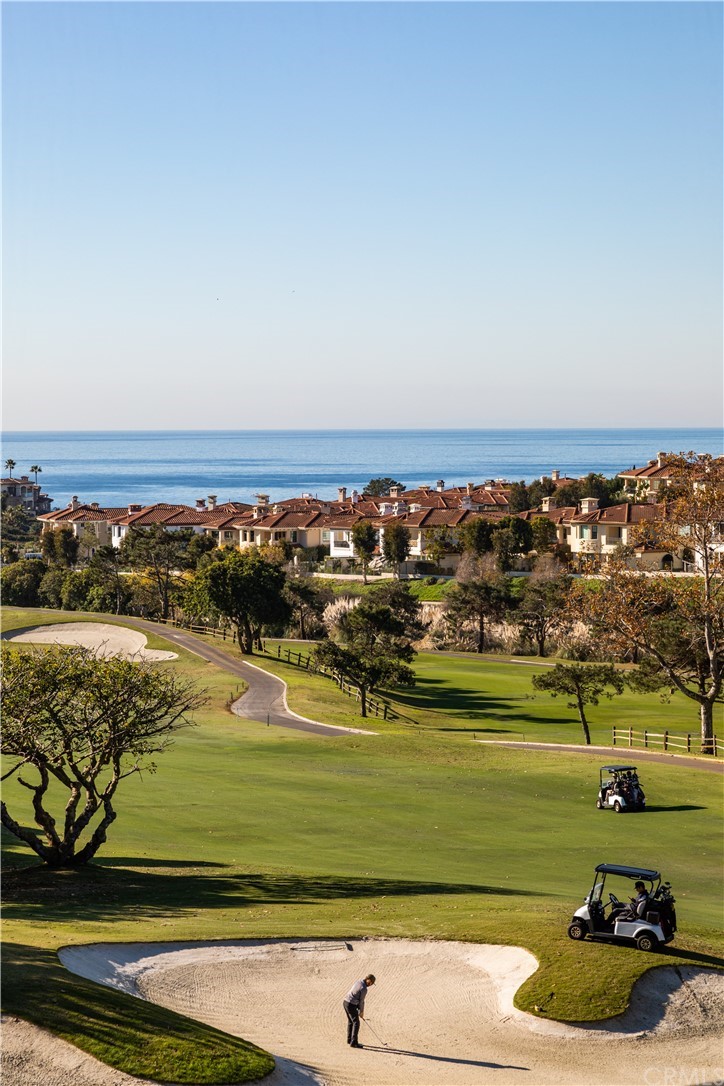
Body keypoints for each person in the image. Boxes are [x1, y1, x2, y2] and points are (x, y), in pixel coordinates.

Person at [343, 974, 376, 1048]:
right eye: (371, 983)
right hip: (350, 1004)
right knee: (356, 1023)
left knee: (351, 1021)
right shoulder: (364, 988)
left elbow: (356, 996)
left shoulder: (359, 981)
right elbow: (361, 1001)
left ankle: (349, 1040)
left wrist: (358, 1009)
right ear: (368, 980)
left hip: (345, 1002)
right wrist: (361, 1012)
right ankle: (354, 1042)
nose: (370, 985)